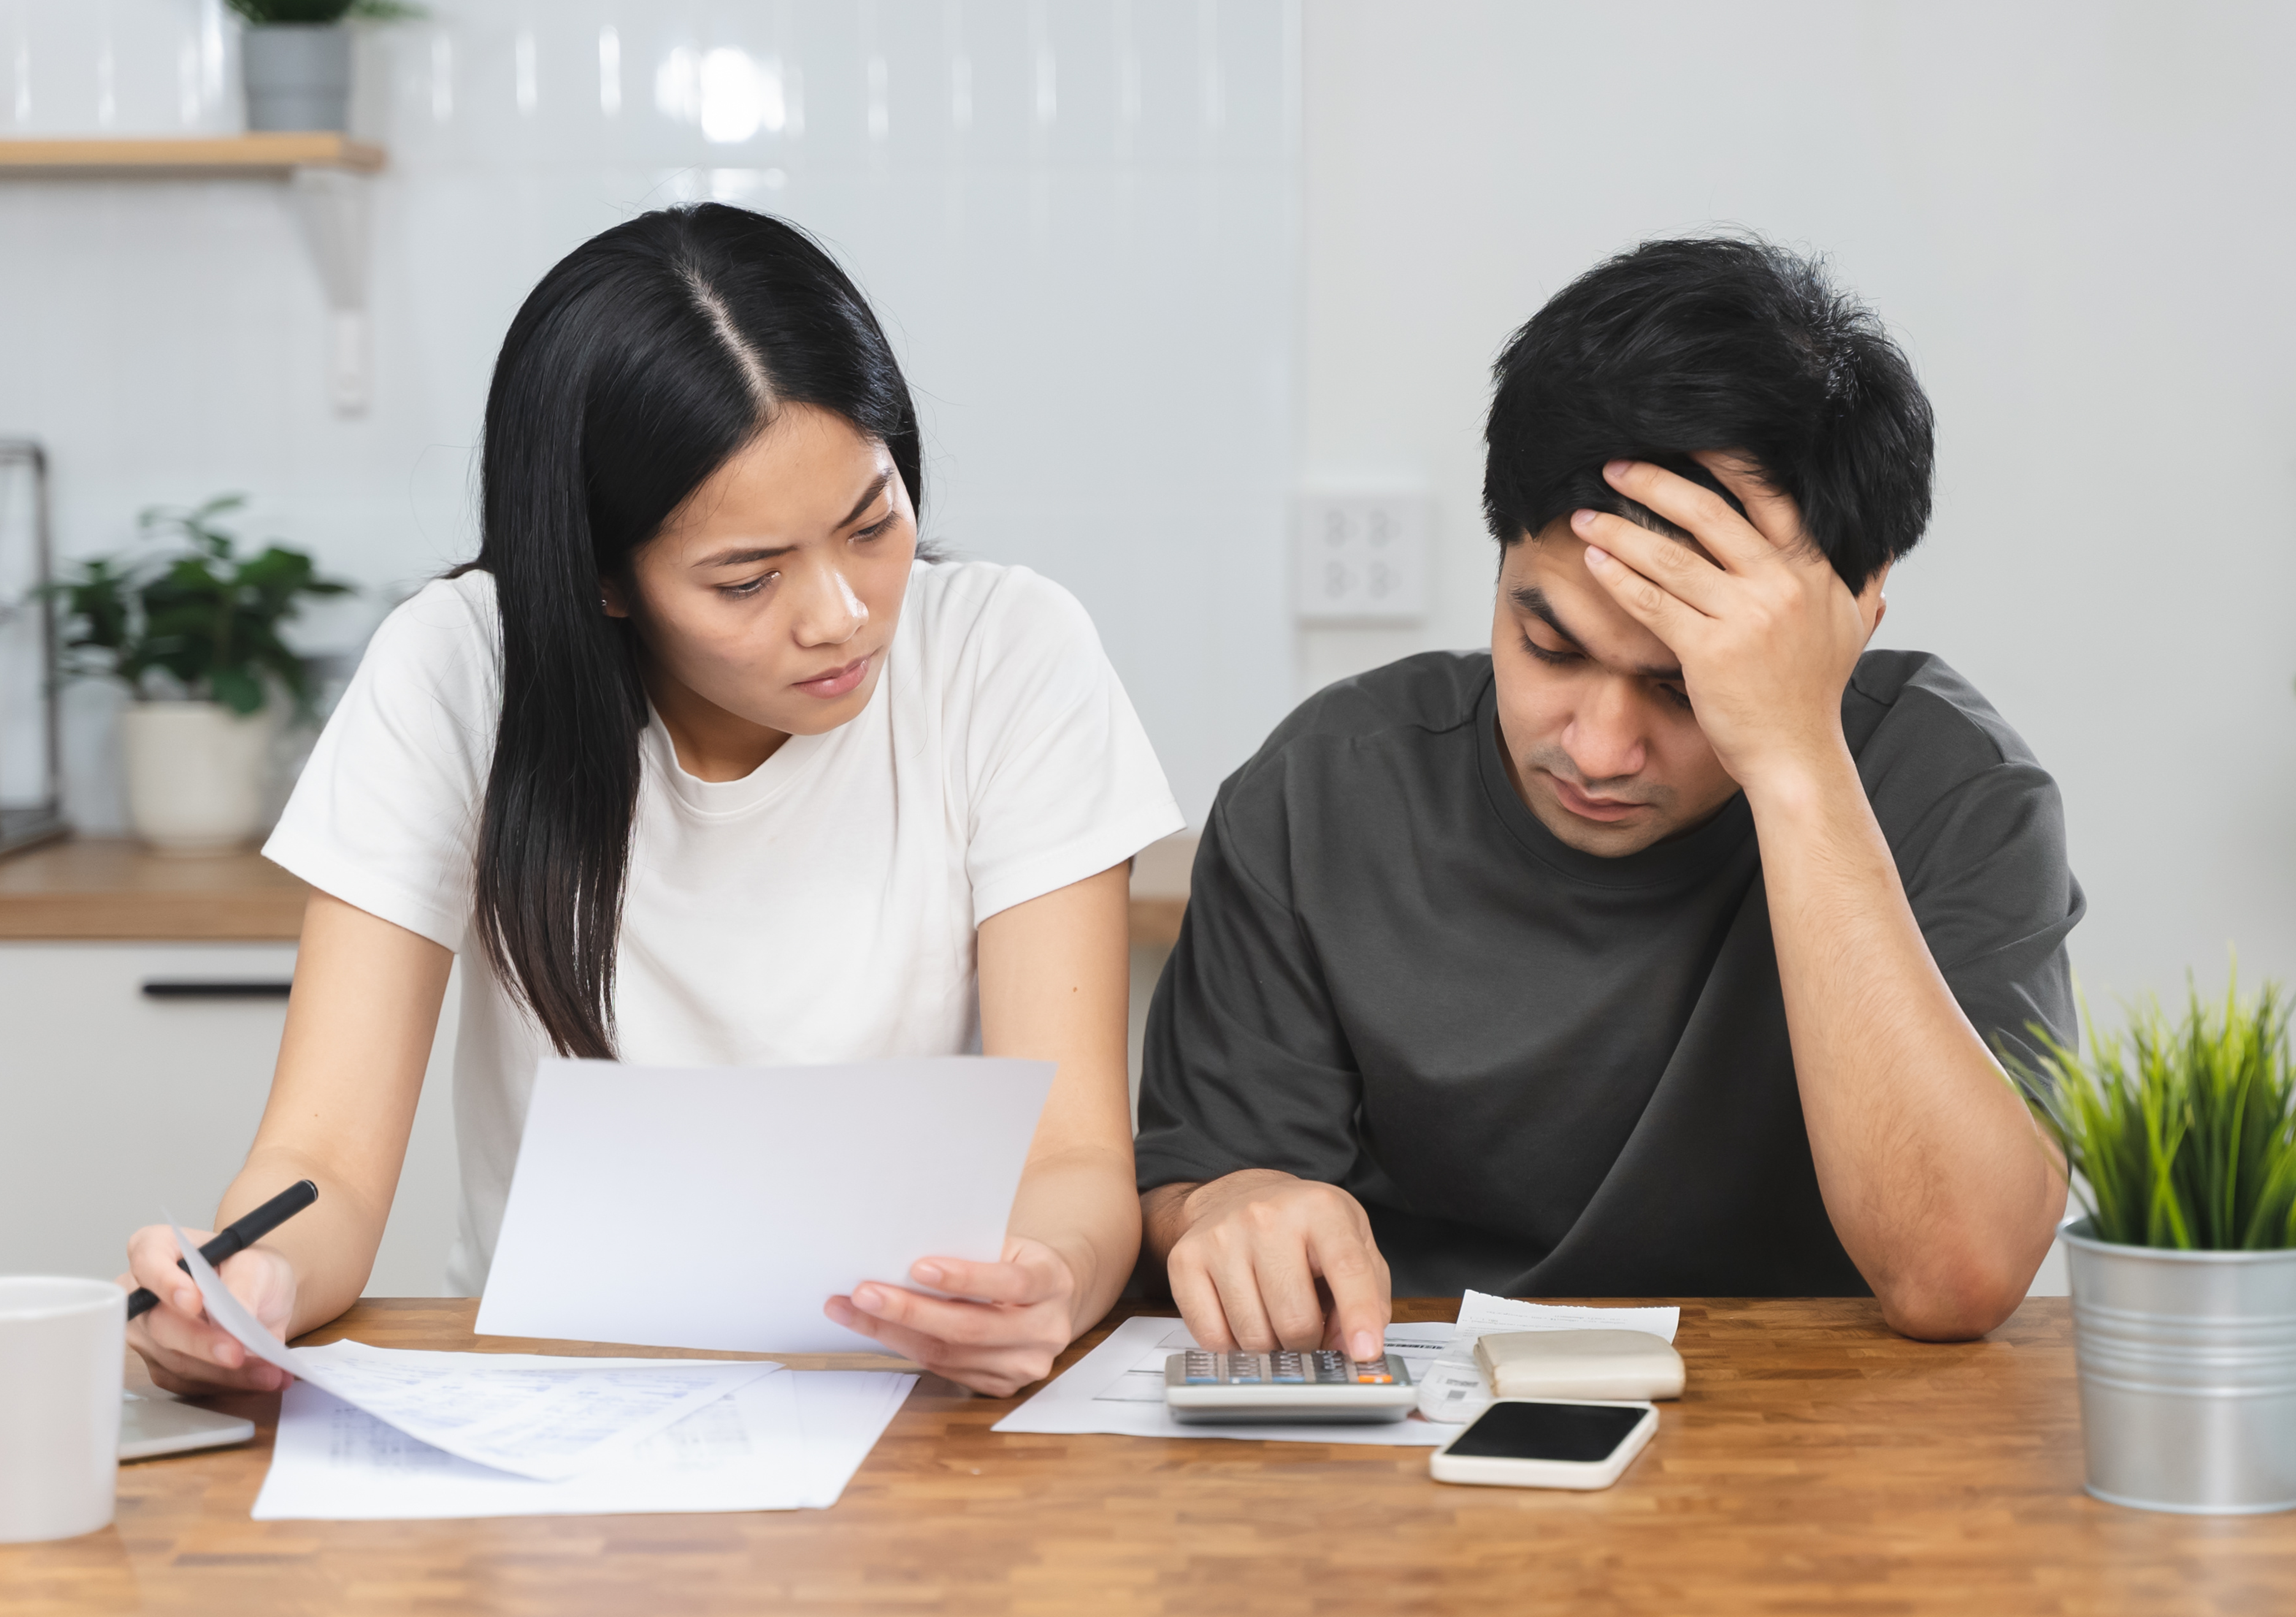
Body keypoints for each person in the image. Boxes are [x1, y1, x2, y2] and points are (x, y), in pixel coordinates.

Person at [120, 204, 1182, 1398]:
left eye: (872, 521)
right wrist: (245, 1293)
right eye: (747, 577)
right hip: (556, 1408)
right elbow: (325, 1165)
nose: (839, 613)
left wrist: (1048, 1276)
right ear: (602, 581)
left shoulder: (1009, 653)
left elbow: (1077, 1155)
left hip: (918, 1397)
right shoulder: (461, 670)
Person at [1136, 237, 2082, 1362]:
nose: (1599, 746)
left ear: (1851, 620)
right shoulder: (1325, 792)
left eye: (1687, 686)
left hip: (1808, 1452)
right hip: (1414, 1434)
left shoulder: (1950, 792)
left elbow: (1957, 1275)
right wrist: (1223, 1208)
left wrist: (1793, 761)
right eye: (1546, 644)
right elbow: (1200, 1187)